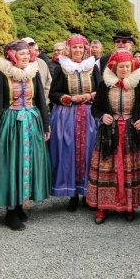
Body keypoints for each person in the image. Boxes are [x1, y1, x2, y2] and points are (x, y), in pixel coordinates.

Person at [0, 40, 51, 231]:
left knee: (28, 163)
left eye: (27, 53)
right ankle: (10, 211)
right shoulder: (0, 75)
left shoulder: (33, 72)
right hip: (10, 124)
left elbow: (40, 100)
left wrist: (46, 126)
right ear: (11, 55)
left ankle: (20, 204)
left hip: (32, 122)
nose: (25, 56)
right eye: (21, 54)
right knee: (11, 165)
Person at [87, 51, 140, 223]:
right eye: (121, 66)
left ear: (132, 67)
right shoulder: (104, 85)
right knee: (108, 168)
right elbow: (95, 108)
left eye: (127, 66)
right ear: (114, 67)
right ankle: (103, 207)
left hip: (132, 133)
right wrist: (102, 117)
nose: (124, 69)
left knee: (130, 169)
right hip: (110, 133)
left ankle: (129, 206)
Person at [49, 34, 99, 211]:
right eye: (74, 48)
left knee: (88, 153)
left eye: (81, 48)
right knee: (68, 152)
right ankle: (71, 195)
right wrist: (70, 98)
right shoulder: (62, 69)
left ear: (85, 50)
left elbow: (101, 90)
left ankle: (87, 193)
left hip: (89, 117)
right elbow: (53, 94)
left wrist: (90, 96)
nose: (78, 51)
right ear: (69, 50)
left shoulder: (92, 67)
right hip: (67, 117)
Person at [22, 37, 52, 109]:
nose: (30, 49)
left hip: (39, 106)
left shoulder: (41, 63)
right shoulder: (16, 64)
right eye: (27, 47)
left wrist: (44, 102)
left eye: (32, 47)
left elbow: (49, 84)